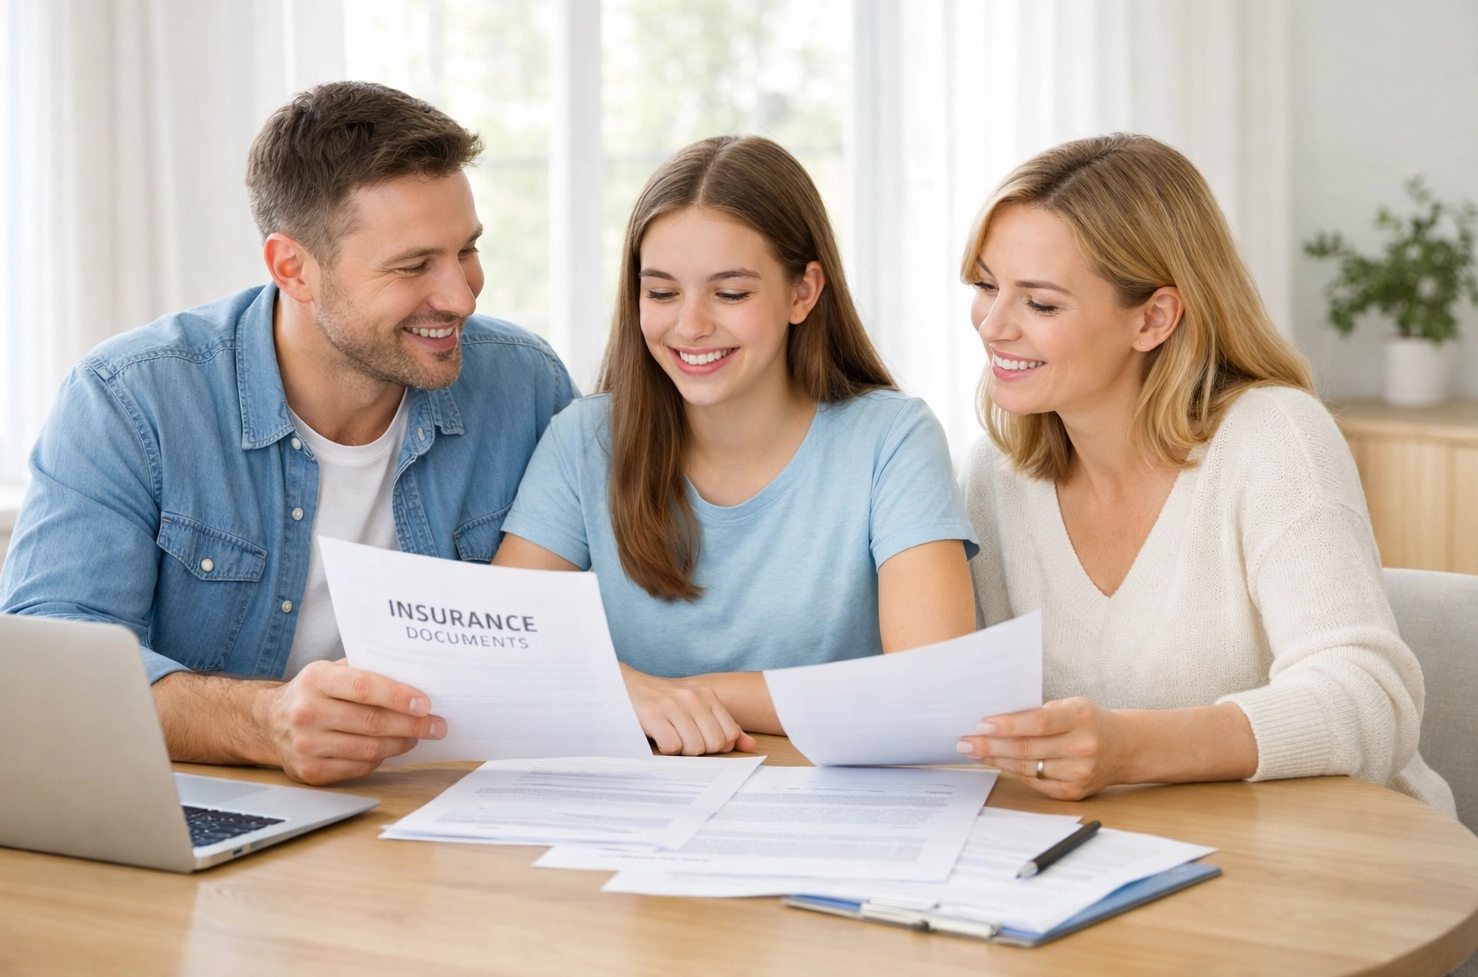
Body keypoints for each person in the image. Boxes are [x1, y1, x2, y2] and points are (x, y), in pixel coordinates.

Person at [0, 81, 577, 785]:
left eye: (467, 250)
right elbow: (48, 664)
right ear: (292, 268)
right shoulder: (131, 401)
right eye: (414, 265)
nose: (460, 295)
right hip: (222, 819)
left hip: (447, 805)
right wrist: (263, 722)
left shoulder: (525, 383)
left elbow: (598, 622)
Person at [954, 133, 1456, 815]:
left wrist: (1129, 747)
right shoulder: (997, 474)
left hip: (1333, 861)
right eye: (986, 286)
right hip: (1124, 859)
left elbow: (1370, 697)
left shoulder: (1273, 438)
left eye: (1040, 304)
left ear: (1154, 318)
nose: (993, 324)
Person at [493, 135, 978, 756]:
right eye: (662, 292)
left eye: (730, 293)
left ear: (802, 292)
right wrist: (628, 690)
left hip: (841, 814)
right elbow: (497, 651)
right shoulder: (584, 441)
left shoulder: (892, 440)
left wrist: (679, 696)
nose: (690, 325)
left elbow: (935, 691)